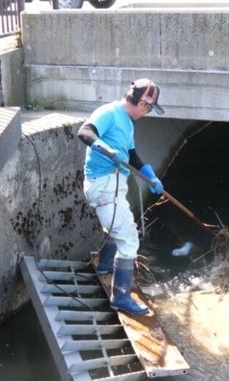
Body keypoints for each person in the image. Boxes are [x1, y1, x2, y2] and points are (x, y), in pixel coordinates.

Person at [77, 78, 165, 315]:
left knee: (116, 226)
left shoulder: (127, 122)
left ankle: (106, 265)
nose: (147, 112)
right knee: (128, 239)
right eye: (148, 107)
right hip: (104, 184)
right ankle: (121, 298)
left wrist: (150, 176)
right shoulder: (109, 112)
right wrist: (106, 149)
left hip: (114, 184)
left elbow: (132, 154)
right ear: (141, 102)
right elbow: (85, 132)